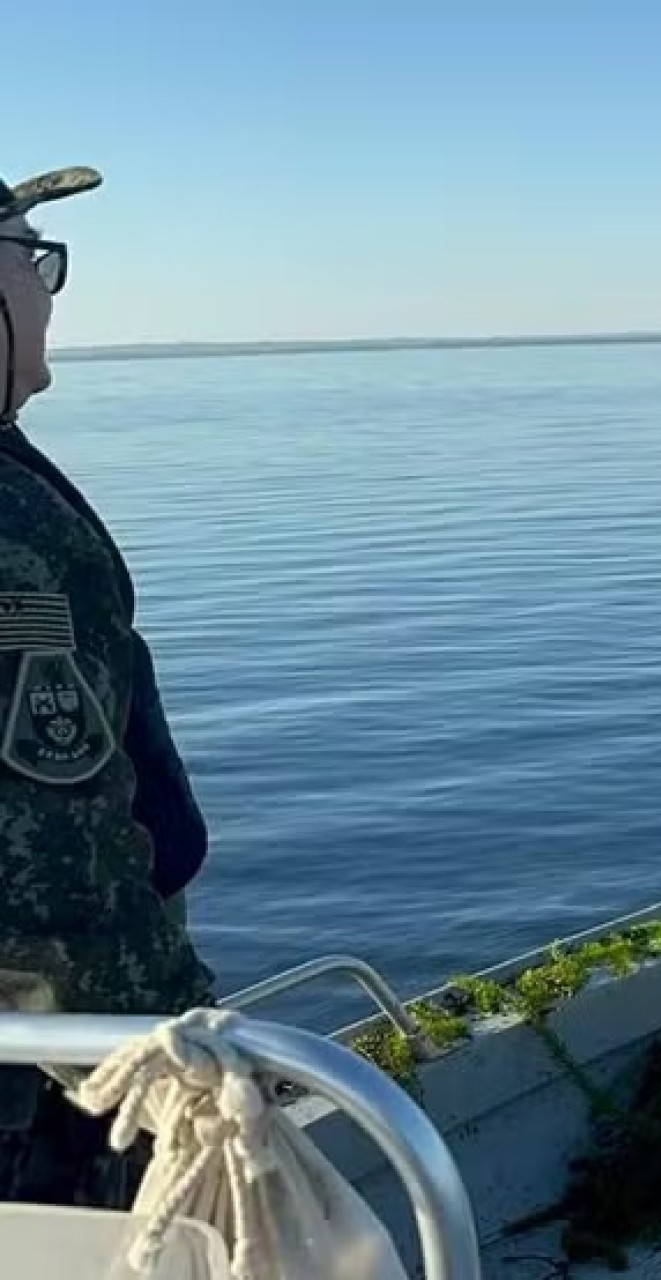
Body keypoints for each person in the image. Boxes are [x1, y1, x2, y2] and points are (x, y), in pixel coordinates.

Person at [0, 164, 214, 1208]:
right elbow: (52, 861)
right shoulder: (13, 533)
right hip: (44, 1098)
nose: (48, 292)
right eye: (32, 259)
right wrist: (175, 1069)